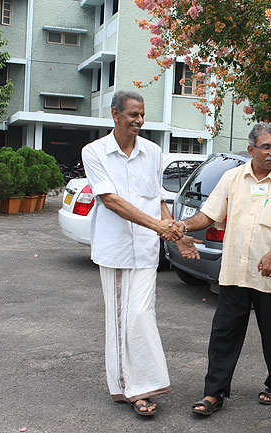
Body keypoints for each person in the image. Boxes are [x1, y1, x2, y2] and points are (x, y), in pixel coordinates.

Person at [177, 123, 271, 416]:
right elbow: (209, 215)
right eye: (267, 147)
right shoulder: (232, 178)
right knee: (224, 335)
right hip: (235, 272)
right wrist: (183, 226)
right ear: (251, 150)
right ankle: (214, 393)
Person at [81, 90, 185, 417]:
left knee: (141, 315)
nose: (139, 121)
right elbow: (110, 200)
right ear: (115, 115)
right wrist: (159, 226)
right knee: (119, 321)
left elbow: (157, 199)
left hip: (146, 249)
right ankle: (130, 388)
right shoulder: (94, 152)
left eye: (142, 115)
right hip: (114, 251)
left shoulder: (153, 152)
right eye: (132, 115)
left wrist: (174, 233)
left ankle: (146, 382)